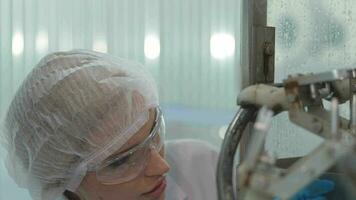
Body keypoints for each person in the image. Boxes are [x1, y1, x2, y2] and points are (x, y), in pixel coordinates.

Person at [1, 50, 334, 200]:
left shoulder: (199, 165)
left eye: (153, 135)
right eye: (122, 160)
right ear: (64, 180)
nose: (161, 165)